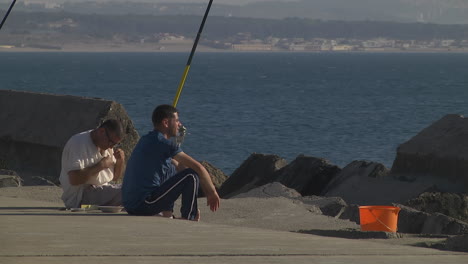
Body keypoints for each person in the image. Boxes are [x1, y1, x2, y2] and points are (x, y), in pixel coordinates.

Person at [122, 104, 220, 220]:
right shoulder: (163, 143)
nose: (180, 124)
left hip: (131, 205)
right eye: (177, 120)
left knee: (171, 168)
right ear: (166, 123)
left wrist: (178, 142)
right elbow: (198, 168)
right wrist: (212, 192)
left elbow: (178, 168)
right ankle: (188, 218)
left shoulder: (148, 139)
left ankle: (168, 216)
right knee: (191, 175)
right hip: (144, 204)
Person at [59, 119, 126, 209]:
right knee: (128, 192)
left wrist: (120, 161)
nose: (111, 146)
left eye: (114, 144)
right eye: (111, 142)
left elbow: (115, 177)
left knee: (134, 186)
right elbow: (74, 180)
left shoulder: (106, 145)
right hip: (80, 197)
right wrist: (101, 165)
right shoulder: (78, 143)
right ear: (101, 131)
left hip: (102, 191)